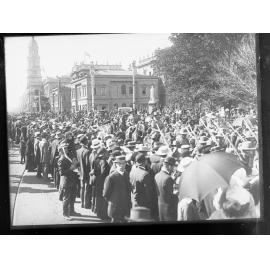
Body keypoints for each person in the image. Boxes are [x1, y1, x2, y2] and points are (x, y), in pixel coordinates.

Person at [129, 153, 159, 221]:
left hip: (134, 199)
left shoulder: (132, 171)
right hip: (143, 202)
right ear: (145, 161)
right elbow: (148, 192)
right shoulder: (145, 174)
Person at [103, 155, 131, 223]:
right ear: (116, 164)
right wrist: (112, 202)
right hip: (115, 207)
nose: (122, 166)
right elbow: (106, 194)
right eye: (119, 164)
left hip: (125, 206)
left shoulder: (127, 174)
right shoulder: (111, 177)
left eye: (123, 163)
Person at [58, 142, 80, 220]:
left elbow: (75, 164)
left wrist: (76, 164)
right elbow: (61, 172)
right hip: (66, 181)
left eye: (67, 148)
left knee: (73, 197)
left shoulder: (69, 156)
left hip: (72, 180)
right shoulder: (61, 159)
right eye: (64, 148)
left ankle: (72, 211)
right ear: (61, 149)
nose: (66, 149)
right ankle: (65, 214)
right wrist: (71, 169)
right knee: (66, 198)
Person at [155, 156, 178, 221]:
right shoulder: (168, 178)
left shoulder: (157, 175)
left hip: (160, 207)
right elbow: (172, 196)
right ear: (169, 166)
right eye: (173, 167)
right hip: (169, 209)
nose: (173, 169)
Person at [76, 135, 91, 209]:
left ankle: (82, 203)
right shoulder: (87, 151)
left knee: (82, 188)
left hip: (80, 172)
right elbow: (88, 163)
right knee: (87, 188)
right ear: (85, 142)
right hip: (87, 172)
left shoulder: (78, 151)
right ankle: (86, 204)